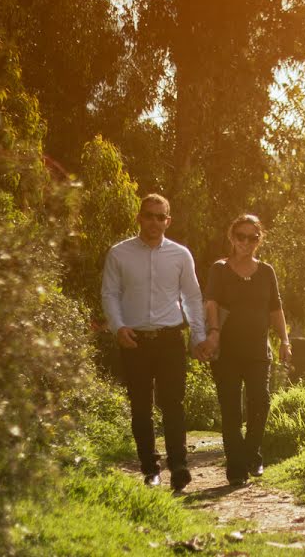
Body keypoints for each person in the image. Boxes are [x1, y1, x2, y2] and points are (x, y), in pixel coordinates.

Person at [101, 194, 208, 491]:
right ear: (139, 217)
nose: (154, 222)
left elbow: (192, 297)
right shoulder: (119, 254)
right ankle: (150, 468)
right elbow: (110, 293)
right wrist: (117, 327)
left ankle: (179, 466)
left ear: (168, 221)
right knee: (141, 407)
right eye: (149, 215)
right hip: (134, 340)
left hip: (170, 338)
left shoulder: (180, 255)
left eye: (161, 217)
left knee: (173, 404)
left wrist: (197, 335)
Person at [200, 213, 292, 486]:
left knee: (260, 401)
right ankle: (236, 468)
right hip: (226, 352)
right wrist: (214, 334)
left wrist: (285, 340)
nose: (246, 242)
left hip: (257, 351)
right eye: (241, 236)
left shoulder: (266, 272)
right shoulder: (220, 269)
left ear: (259, 239)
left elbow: (275, 309)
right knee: (230, 410)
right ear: (232, 237)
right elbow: (211, 303)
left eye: (253, 237)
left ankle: (252, 453)